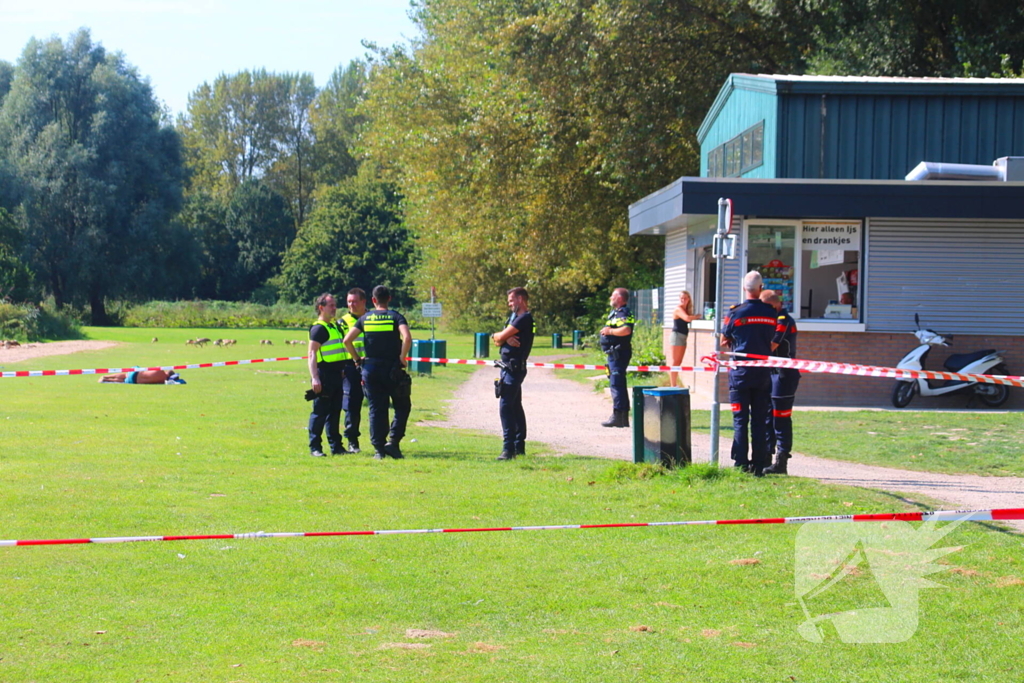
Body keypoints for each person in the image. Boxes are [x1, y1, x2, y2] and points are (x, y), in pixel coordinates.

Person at [344, 285, 413, 460]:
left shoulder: (365, 319)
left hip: (371, 369)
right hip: (392, 369)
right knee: (402, 405)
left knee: (376, 409)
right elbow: (407, 337)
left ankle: (379, 449)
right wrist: (402, 358)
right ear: (389, 298)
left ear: (373, 300)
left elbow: (347, 340)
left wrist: (357, 360)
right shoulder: (395, 317)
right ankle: (394, 441)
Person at [721, 271, 777, 476]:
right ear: (760, 288)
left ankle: (741, 463)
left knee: (740, 420)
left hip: (740, 374)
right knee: (760, 420)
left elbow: (724, 339)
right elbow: (773, 340)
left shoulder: (735, 312)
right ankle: (759, 465)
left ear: (745, 288)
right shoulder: (771, 313)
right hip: (762, 373)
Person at [491, 287, 535, 461]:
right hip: (507, 367)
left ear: (521, 300)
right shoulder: (514, 318)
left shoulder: (523, 318)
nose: (509, 303)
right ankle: (519, 446)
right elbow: (496, 339)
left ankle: (508, 448)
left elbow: (499, 337)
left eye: (511, 300)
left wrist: (501, 337)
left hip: (514, 368)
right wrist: (501, 337)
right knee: (515, 405)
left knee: (506, 406)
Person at [760, 288, 800, 475]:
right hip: (770, 373)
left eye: (765, 306)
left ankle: (781, 461)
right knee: (768, 417)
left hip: (784, 374)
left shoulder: (783, 320)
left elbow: (772, 345)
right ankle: (766, 458)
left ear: (775, 305)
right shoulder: (770, 319)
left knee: (781, 418)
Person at [307, 293, 348, 458]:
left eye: (335, 305)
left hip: (337, 375)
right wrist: (315, 377)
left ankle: (336, 446)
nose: (334, 308)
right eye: (331, 305)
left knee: (335, 412)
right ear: (321, 308)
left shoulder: (335, 327)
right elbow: (311, 354)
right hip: (323, 374)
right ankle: (315, 447)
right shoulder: (319, 328)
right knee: (320, 412)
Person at [335, 288, 368, 454]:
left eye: (354, 301)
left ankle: (382, 440)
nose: (351, 305)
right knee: (351, 406)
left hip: (371, 365)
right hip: (351, 367)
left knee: (378, 405)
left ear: (364, 302)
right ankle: (352, 441)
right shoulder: (342, 322)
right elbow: (339, 347)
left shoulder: (372, 318)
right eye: (349, 302)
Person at [599, 287, 635, 428]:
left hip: (618, 353)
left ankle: (618, 416)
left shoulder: (624, 312)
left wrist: (610, 331)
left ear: (619, 298)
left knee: (617, 384)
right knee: (616, 383)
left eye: (613, 296)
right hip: (614, 354)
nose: (610, 298)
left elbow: (626, 330)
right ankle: (621, 417)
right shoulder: (616, 313)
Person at [669, 290, 701, 388]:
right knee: (675, 361)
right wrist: (696, 317)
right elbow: (687, 318)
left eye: (685, 298)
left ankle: (674, 384)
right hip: (677, 336)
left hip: (683, 336)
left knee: (679, 361)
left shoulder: (687, 309)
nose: (683, 300)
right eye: (681, 298)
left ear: (689, 299)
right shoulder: (678, 309)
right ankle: (673, 384)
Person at [99, 369, 184, 384]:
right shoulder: (162, 381)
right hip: (135, 381)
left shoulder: (160, 371)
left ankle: (106, 376)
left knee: (125, 375)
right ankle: (109, 381)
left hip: (136, 373)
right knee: (124, 380)